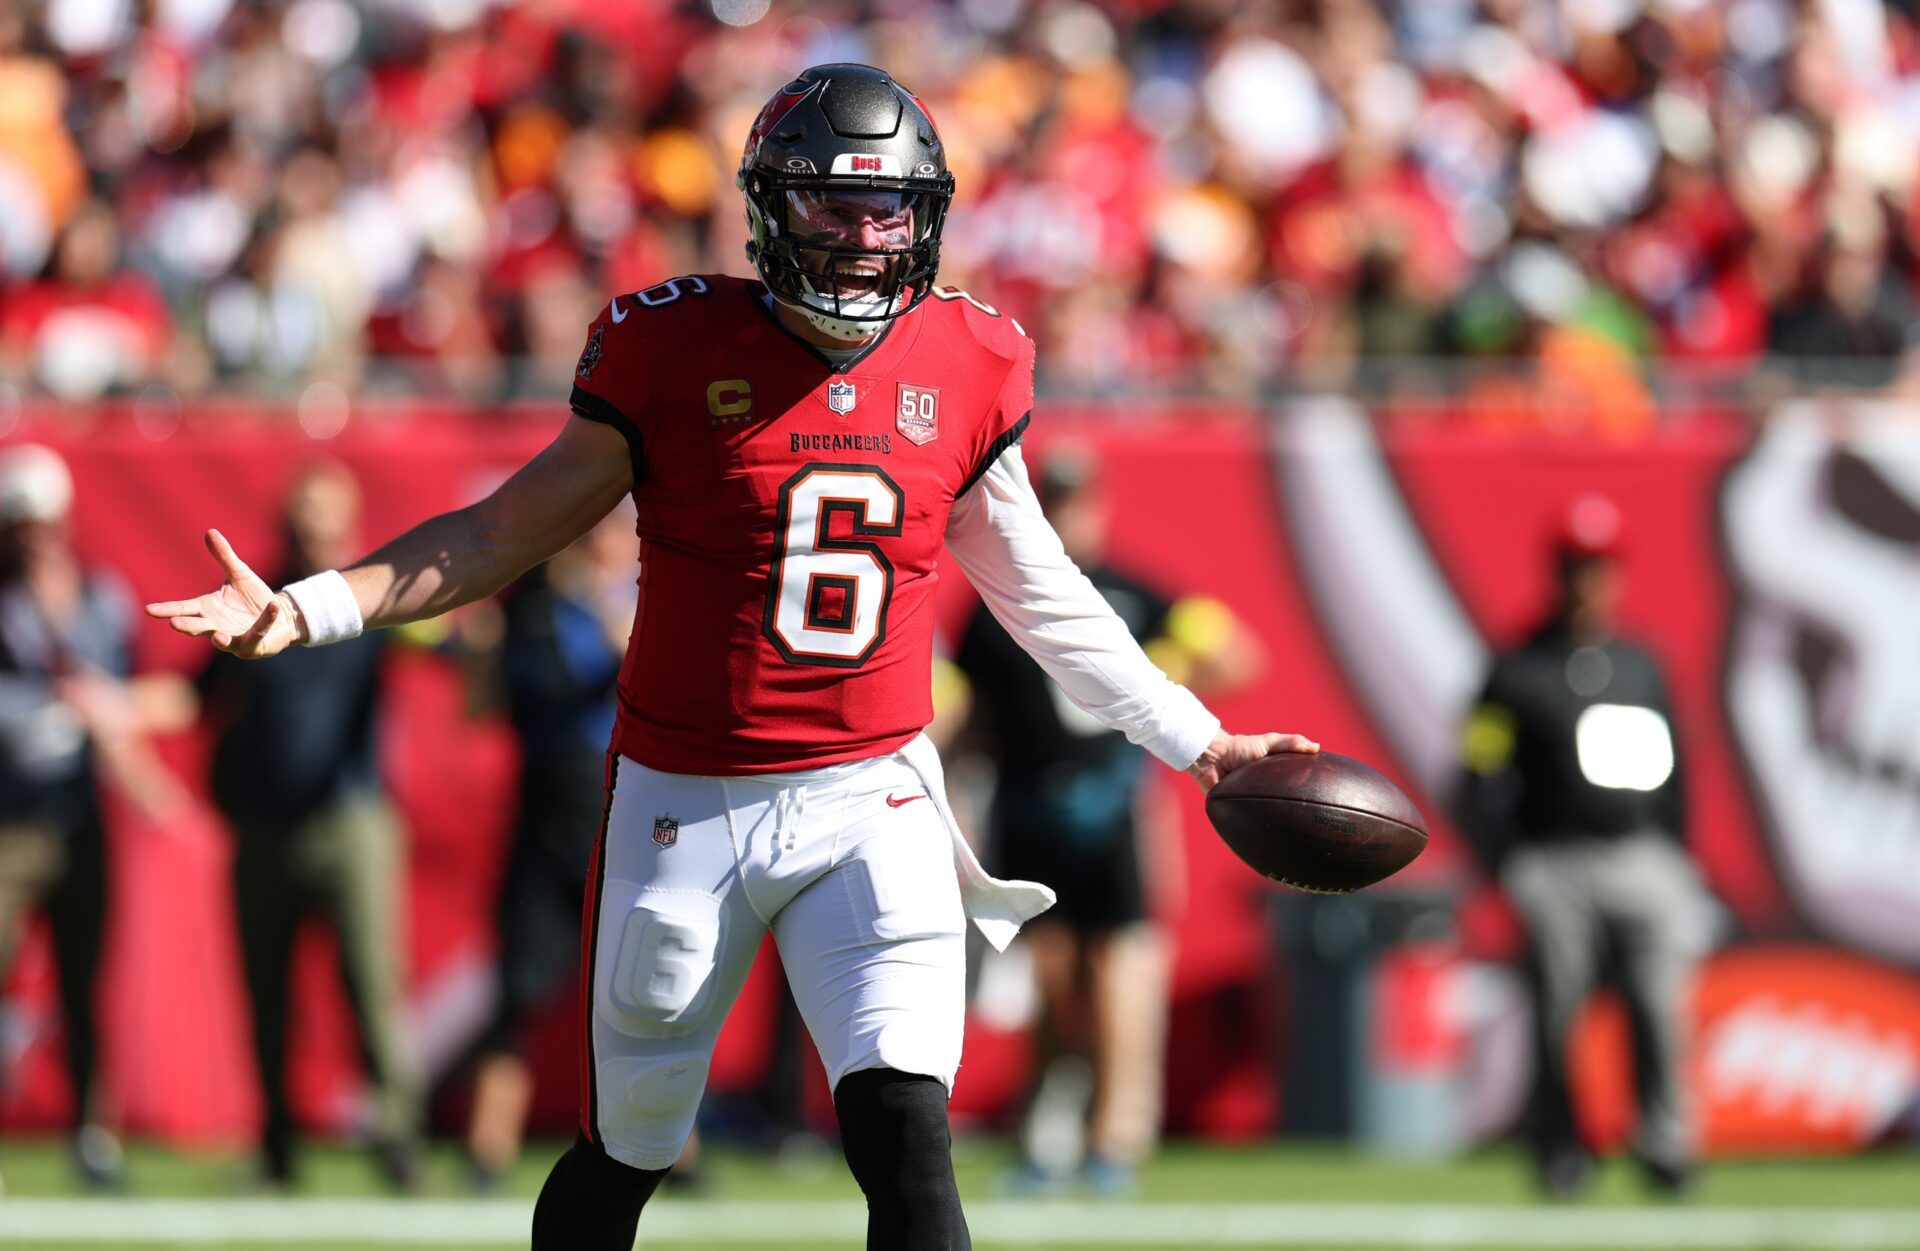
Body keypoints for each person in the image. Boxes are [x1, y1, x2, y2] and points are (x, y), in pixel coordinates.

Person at [148, 64, 1314, 1251]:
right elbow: (499, 534)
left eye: (889, 209)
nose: (865, 238)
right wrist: (307, 609)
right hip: (685, 802)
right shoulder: (671, 348)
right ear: (767, 208)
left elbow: (1045, 596)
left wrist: (1199, 739)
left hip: (876, 794)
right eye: (831, 206)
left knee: (908, 1139)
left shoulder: (968, 360)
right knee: (630, 1149)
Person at [955, 448, 1261, 1196]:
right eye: (1056, 500)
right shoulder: (999, 598)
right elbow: (969, 706)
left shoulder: (1134, 591)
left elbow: (1238, 652)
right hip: (1029, 807)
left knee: (1123, 974)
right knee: (1054, 983)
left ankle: (1115, 1139)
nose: (1070, 514)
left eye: (1079, 500)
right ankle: (1049, 1135)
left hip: (1113, 809)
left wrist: (1160, 674)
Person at [1456, 495, 1703, 1199]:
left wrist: (1676, 857)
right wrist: (1507, 862)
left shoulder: (1640, 665)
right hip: (1555, 858)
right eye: (1573, 566)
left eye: (1597, 567)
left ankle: (1667, 1145)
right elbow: (1477, 769)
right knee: (1557, 1012)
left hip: (1641, 856)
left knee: (1658, 1004)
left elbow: (1676, 767)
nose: (1585, 582)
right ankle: (1560, 1144)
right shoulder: (1516, 668)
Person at [196, 460, 422, 1189]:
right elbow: (196, 695)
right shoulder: (254, 603)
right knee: (267, 992)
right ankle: (276, 1144)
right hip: (265, 824)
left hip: (351, 817)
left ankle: (398, 1137)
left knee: (371, 984)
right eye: (307, 516)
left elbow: (449, 636)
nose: (318, 530)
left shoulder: (372, 600)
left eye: (331, 515)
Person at [0, 444, 194, 1189]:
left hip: (81, 817)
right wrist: (46, 714)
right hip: (12, 815)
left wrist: (115, 733)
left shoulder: (101, 596)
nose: (33, 534)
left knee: (86, 981)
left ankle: (91, 1132)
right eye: (21, 520)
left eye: (42, 519)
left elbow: (128, 695)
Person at [462, 506, 633, 1188]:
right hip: (548, 817)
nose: (600, 547)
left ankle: (673, 1150)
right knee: (520, 989)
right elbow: (490, 702)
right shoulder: (530, 614)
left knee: (648, 987)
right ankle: (487, 1147)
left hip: (619, 812)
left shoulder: (635, 609)